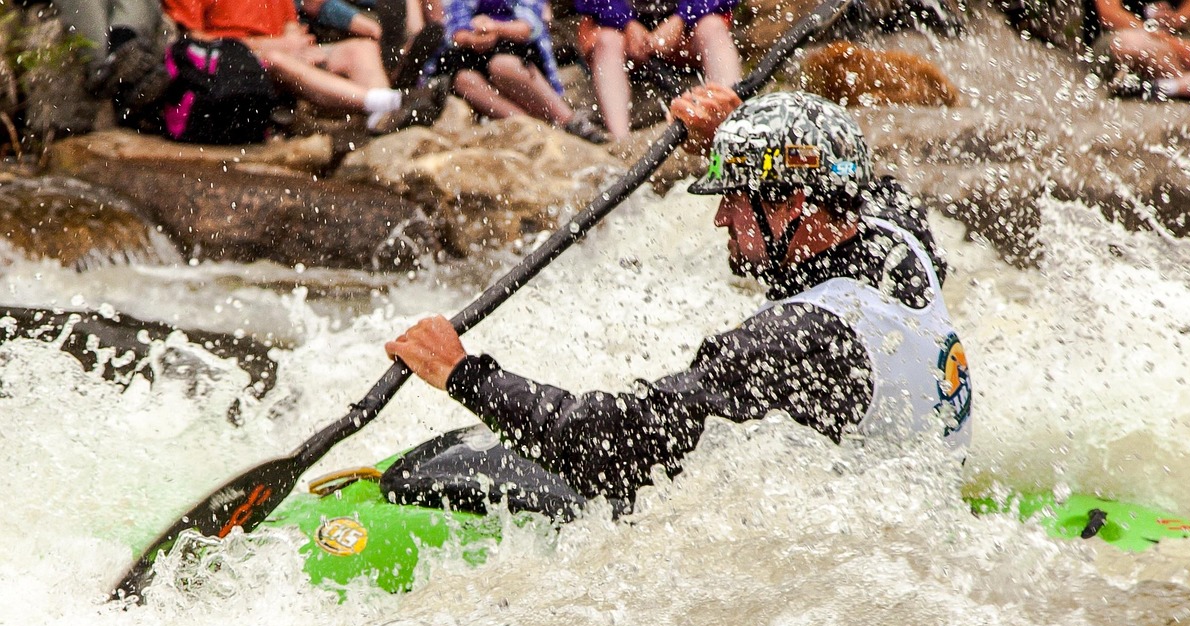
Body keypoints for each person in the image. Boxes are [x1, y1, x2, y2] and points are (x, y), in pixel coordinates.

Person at [385, 84, 973, 507]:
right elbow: (861, 179)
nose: (721, 217)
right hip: (923, 499)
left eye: (736, 196)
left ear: (791, 203)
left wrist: (463, 374)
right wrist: (740, 131)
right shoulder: (901, 239)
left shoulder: (799, 340)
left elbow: (617, 442)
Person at [163, 0, 446, 133]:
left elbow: (289, 25)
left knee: (360, 49)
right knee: (278, 60)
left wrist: (299, 44)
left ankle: (380, 120)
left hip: (286, 52)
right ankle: (391, 101)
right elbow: (190, 40)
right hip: (233, 61)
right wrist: (274, 46)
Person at [418, 0, 606, 141]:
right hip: (474, 51)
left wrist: (496, 28)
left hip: (516, 47)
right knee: (464, 79)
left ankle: (569, 120)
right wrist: (471, 39)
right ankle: (532, 128)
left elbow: (529, 27)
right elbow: (455, 30)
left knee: (502, 66)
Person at [574, 0, 742, 140]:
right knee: (607, 40)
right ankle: (621, 139)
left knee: (712, 27)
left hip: (686, 33)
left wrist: (682, 18)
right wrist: (625, 23)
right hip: (622, 35)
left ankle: (733, 118)